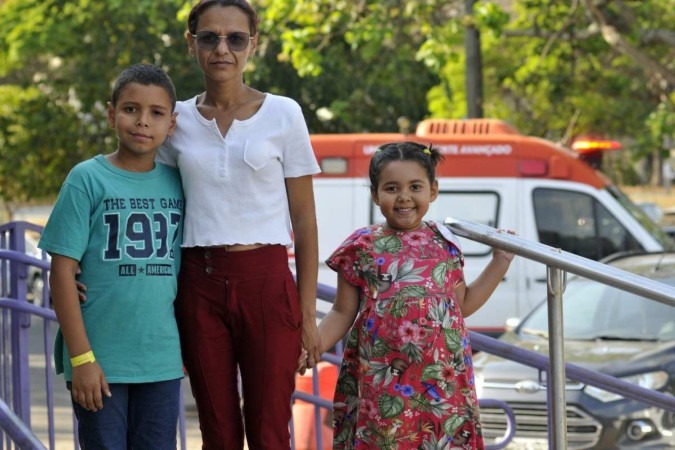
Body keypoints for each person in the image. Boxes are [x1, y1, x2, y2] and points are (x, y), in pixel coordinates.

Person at [155, 1, 322, 448]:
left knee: (270, 429)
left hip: (266, 282)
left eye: (235, 38)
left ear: (254, 43)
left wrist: (307, 315)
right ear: (191, 44)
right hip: (198, 283)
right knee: (217, 430)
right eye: (209, 37)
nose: (222, 48)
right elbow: (156, 205)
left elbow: (304, 221)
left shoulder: (284, 113)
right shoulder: (176, 121)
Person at [312, 142, 515, 449]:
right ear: (375, 194)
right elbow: (341, 312)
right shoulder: (362, 246)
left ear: (432, 191)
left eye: (415, 186)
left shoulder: (444, 243)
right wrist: (310, 348)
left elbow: (462, 306)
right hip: (383, 383)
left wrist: (500, 261)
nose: (404, 196)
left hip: (441, 383)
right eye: (392, 188)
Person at [38, 63, 184, 449]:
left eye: (156, 113)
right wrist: (82, 359)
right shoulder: (87, 178)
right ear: (111, 113)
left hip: (161, 360)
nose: (142, 122)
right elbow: (61, 273)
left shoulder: (178, 183)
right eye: (131, 109)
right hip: (99, 360)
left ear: (172, 124)